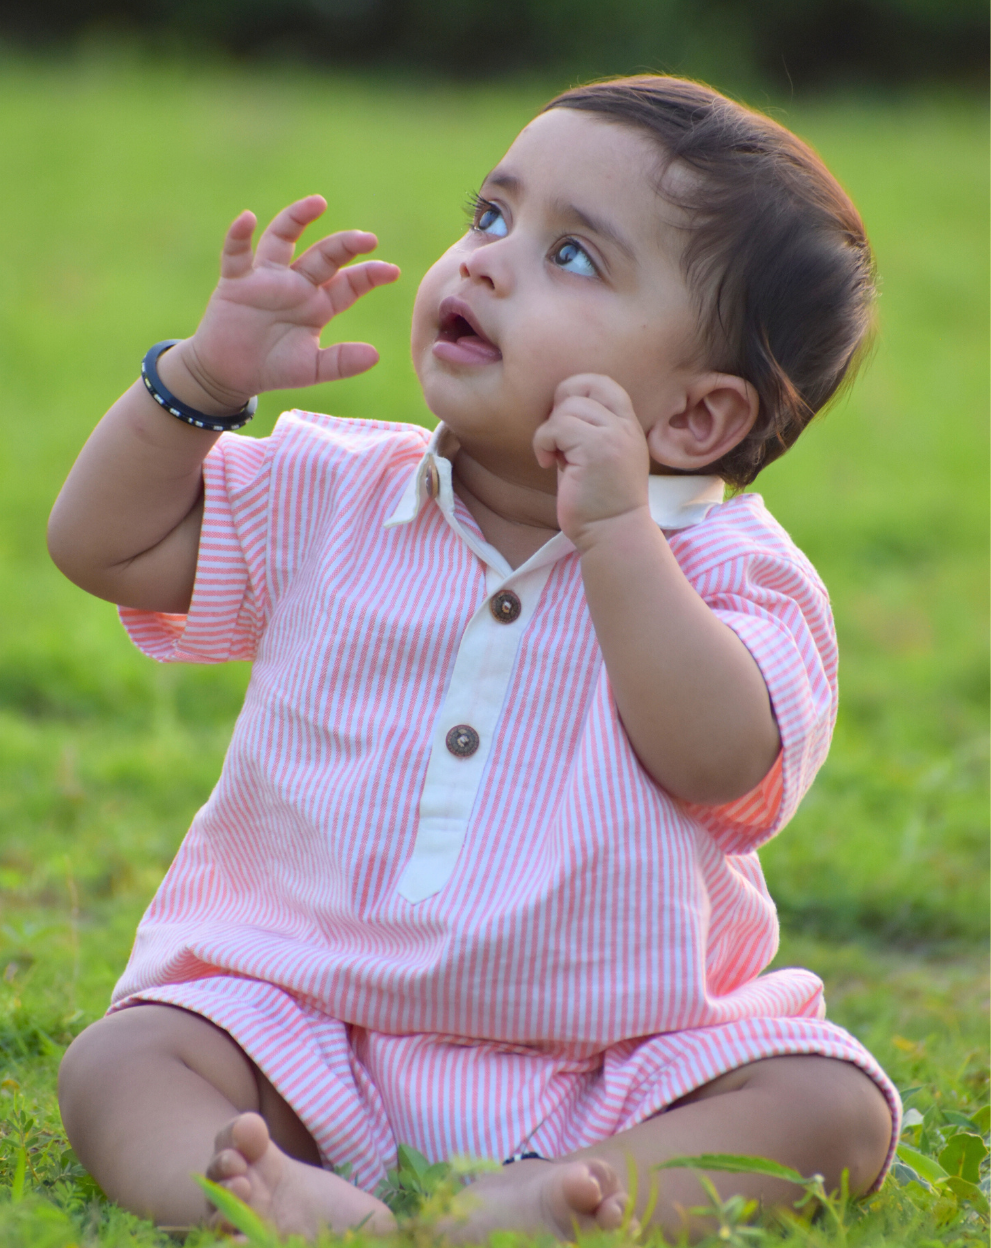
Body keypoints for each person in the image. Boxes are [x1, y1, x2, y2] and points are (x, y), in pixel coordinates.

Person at [48, 75, 900, 1243]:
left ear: (696, 422)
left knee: (830, 1108)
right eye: (491, 218)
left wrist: (613, 538)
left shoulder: (734, 575)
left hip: (616, 1055)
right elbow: (102, 545)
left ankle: (580, 1194)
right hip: (299, 1026)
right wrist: (201, 381)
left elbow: (716, 760)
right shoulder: (332, 489)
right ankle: (255, 1185)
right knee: (125, 1059)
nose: (486, 263)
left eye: (574, 258)